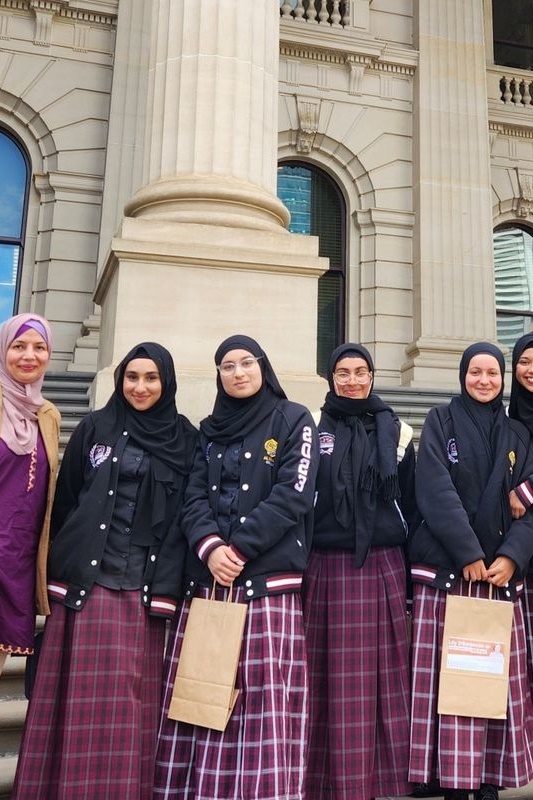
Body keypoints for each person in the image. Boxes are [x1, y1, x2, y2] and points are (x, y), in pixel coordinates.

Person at [12, 342, 197, 800]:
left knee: (132, 709)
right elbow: (67, 499)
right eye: (131, 377)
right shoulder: (96, 427)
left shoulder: (186, 438)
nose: (139, 387)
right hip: (86, 586)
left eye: (150, 378)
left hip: (146, 590)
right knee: (79, 707)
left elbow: (185, 517)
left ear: (166, 382)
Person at [154, 334, 319, 800]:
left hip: (267, 587)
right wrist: (209, 548)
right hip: (210, 585)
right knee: (203, 703)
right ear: (219, 375)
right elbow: (191, 495)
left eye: (247, 362)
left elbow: (294, 493)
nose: (238, 372)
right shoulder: (206, 430)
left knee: (263, 705)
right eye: (227, 365)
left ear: (263, 367)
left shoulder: (295, 420)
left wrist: (240, 550)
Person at [408, 342, 533, 800]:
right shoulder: (440, 422)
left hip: (498, 576)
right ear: (463, 375)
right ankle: (448, 779)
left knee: (492, 685)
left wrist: (511, 557)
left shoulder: (518, 432)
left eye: (492, 374)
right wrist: (467, 553)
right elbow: (436, 489)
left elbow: (529, 512)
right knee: (446, 684)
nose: (484, 380)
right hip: (450, 570)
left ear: (502, 380)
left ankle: (488, 779)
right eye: (475, 372)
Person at [302, 343, 416, 800]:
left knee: (382, 681)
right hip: (325, 566)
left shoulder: (399, 430)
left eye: (361, 371)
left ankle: (379, 781)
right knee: (322, 679)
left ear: (372, 375)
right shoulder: (310, 426)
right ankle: (321, 781)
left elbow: (411, 502)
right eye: (343, 372)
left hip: (382, 563)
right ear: (330, 378)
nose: (352, 380)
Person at [0, 313, 59, 675]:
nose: (29, 356)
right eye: (18, 346)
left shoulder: (48, 415)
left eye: (39, 347)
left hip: (16, 561)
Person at [507, 331, 533, 685]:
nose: (530, 370)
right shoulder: (511, 418)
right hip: (524, 551)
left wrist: (526, 492)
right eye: (524, 362)